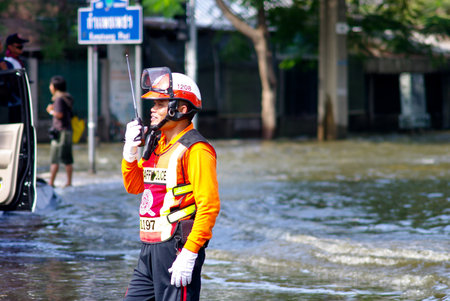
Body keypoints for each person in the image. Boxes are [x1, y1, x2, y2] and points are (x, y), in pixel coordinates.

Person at [122, 67, 220, 301]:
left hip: (176, 248)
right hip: (148, 249)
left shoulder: (196, 150)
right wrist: (130, 152)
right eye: (152, 104)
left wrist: (189, 253)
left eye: (159, 104)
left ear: (181, 109)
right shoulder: (158, 143)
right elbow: (135, 186)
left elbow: (209, 207)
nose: (152, 110)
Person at [46, 75, 74, 187]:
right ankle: (69, 182)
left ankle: (51, 182)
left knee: (54, 158)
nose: (50, 87)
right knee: (67, 158)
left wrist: (50, 111)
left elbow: (59, 115)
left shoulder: (58, 99)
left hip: (60, 132)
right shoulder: (67, 97)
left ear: (55, 87)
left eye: (51, 85)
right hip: (67, 130)